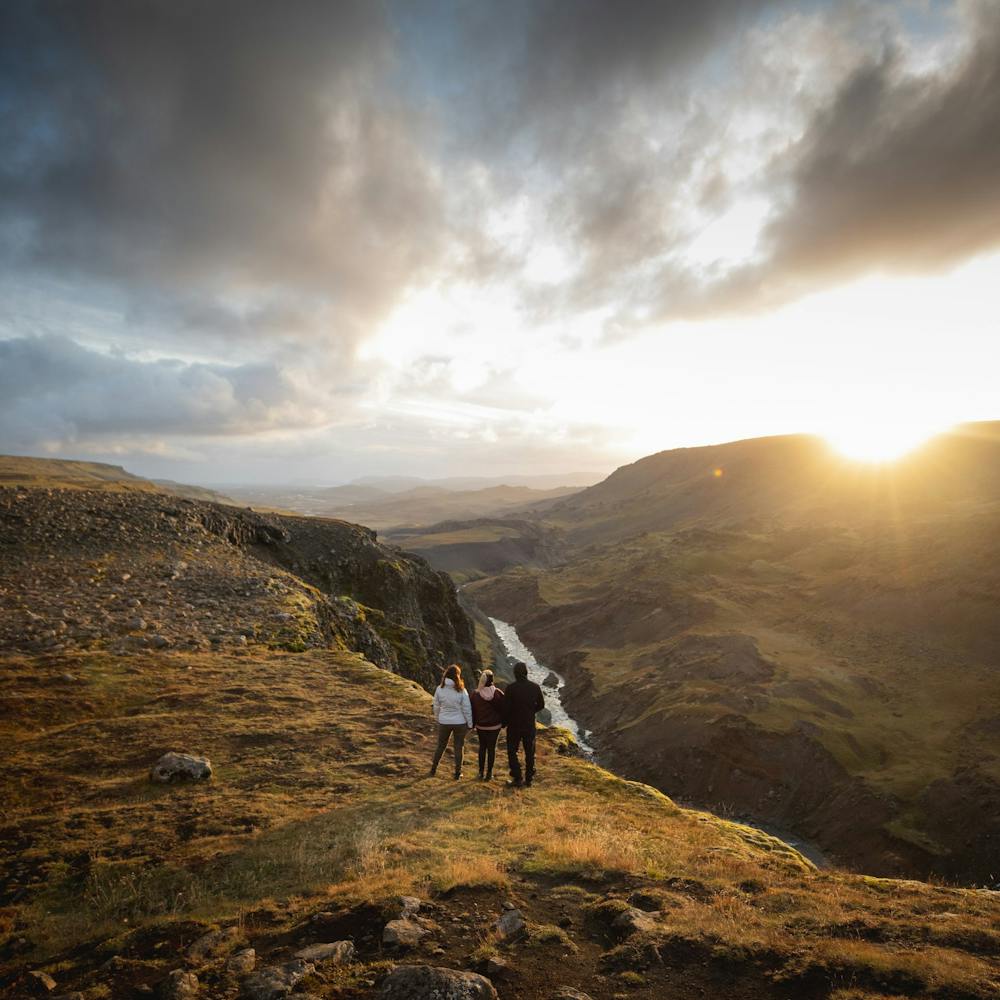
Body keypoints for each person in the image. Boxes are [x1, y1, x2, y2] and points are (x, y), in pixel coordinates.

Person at [503, 660, 545, 787]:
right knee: (529, 752)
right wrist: (531, 711)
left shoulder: (510, 688)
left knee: (512, 751)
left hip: (514, 725)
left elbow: (506, 708)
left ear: (515, 674)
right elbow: (541, 705)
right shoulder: (535, 687)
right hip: (529, 725)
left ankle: (517, 777)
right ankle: (529, 779)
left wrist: (504, 722)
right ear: (526, 673)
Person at [430, 663, 473, 779]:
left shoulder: (440, 689)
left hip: (444, 722)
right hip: (460, 723)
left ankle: (433, 769)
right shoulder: (461, 690)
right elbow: (467, 708)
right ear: (457, 676)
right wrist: (470, 723)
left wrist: (438, 718)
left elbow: (436, 706)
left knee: (441, 746)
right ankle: (458, 773)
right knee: (459, 747)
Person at [470, 669, 505, 781]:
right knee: (491, 749)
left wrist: (473, 723)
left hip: (481, 726)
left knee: (482, 748)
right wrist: (503, 723)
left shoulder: (476, 694)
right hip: (495, 726)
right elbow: (505, 709)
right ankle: (489, 773)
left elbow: (472, 710)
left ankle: (480, 772)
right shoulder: (498, 693)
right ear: (492, 680)